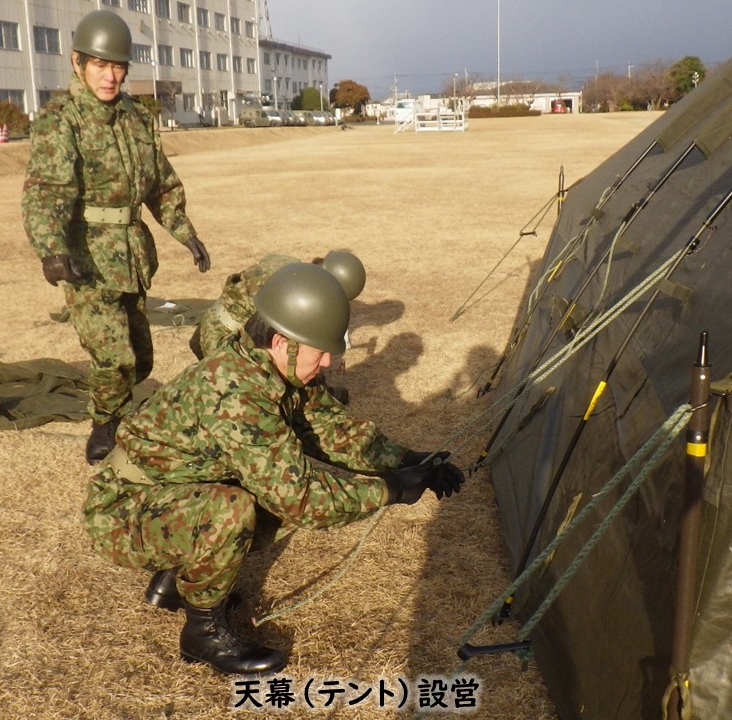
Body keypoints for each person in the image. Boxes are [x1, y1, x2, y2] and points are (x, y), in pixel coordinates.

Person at [82, 263, 464, 675]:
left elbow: (330, 429)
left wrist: (407, 460)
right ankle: (203, 633)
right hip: (122, 511)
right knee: (234, 509)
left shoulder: (276, 371)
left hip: (166, 491)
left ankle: (175, 582)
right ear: (284, 342)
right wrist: (391, 489)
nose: (326, 365)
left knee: (249, 494)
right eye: (323, 354)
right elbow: (300, 497)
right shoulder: (236, 393)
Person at [21, 10, 211, 465]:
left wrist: (185, 233)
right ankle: (104, 423)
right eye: (100, 66)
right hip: (86, 258)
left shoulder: (135, 116)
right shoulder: (60, 119)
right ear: (78, 63)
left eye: (118, 67)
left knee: (141, 358)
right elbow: (46, 192)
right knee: (114, 358)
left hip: (131, 253)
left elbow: (160, 182)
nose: (110, 76)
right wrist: (52, 251)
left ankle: (119, 410)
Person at [190, 250, 366, 360]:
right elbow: (278, 350)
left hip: (211, 324)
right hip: (222, 342)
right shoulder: (293, 290)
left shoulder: (289, 265)